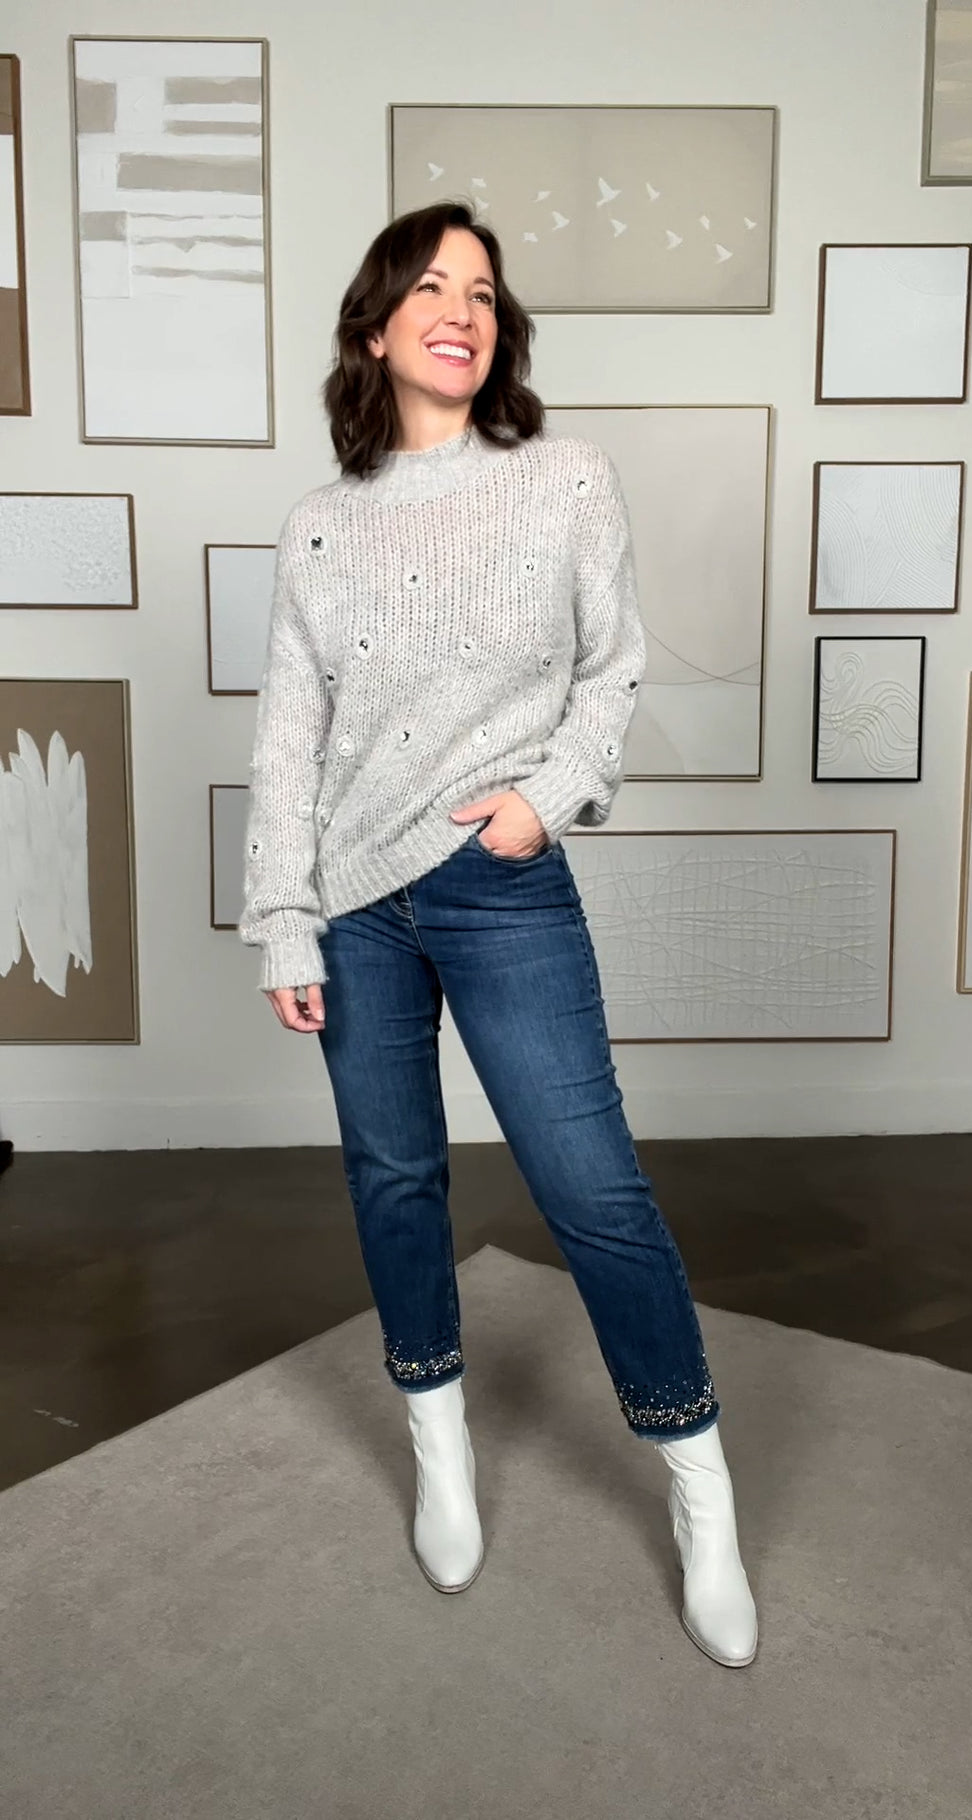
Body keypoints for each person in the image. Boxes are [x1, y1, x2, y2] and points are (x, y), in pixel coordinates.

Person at [239, 201, 758, 1669]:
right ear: (374, 328)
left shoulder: (564, 481)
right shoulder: (321, 522)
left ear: (498, 329)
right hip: (353, 903)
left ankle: (699, 1489)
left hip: (496, 879)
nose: (460, 308)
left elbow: (614, 670)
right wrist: (284, 918)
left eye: (480, 289)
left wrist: (543, 800)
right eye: (429, 286)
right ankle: (441, 1448)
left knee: (592, 1190)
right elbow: (290, 735)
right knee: (395, 1177)